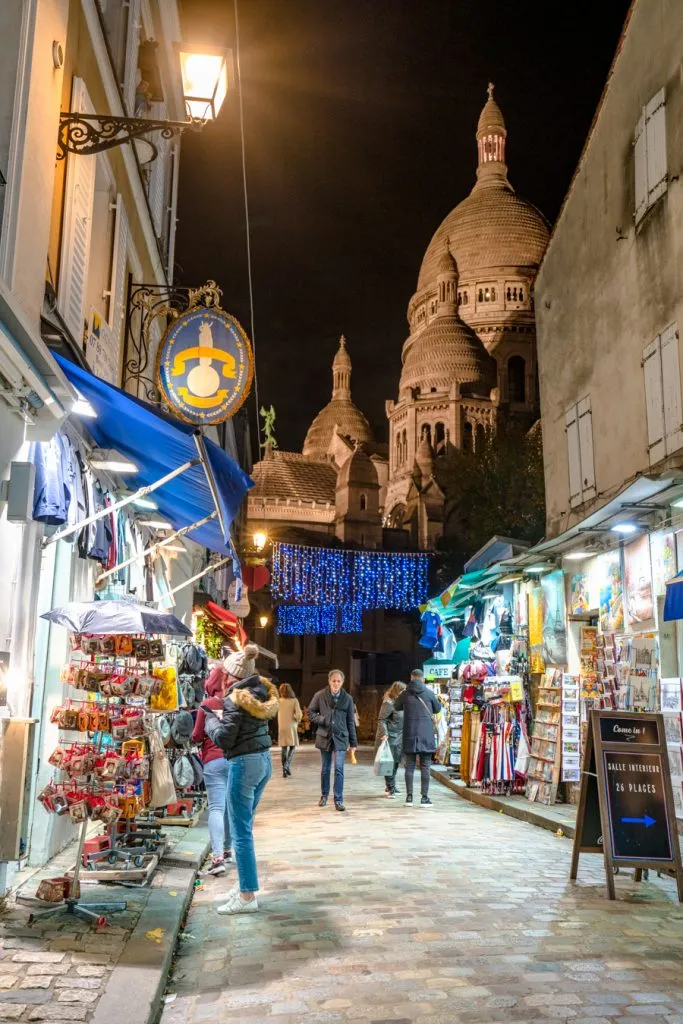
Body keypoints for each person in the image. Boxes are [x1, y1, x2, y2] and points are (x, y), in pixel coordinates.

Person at [202, 643, 279, 915]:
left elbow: (224, 738)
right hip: (262, 761)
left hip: (244, 763)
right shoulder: (259, 694)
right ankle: (245, 885)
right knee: (243, 827)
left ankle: (247, 896)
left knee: (240, 832)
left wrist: (211, 719)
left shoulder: (235, 698)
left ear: (231, 676)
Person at [192, 668, 232, 876]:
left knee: (216, 808)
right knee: (230, 808)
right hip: (234, 760)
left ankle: (217, 858)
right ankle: (228, 850)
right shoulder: (235, 703)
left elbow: (197, 735)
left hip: (213, 761)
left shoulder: (206, 705)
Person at [308, 669, 357, 812]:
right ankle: (324, 795)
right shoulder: (320, 695)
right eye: (333, 681)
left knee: (339, 769)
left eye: (339, 681)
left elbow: (350, 721)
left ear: (342, 682)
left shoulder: (347, 698)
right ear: (329, 681)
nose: (336, 683)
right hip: (325, 736)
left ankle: (338, 799)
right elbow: (310, 712)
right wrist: (322, 720)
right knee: (325, 768)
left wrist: (353, 742)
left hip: (341, 737)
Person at [393, 669, 441, 807]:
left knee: (410, 766)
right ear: (423, 679)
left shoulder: (405, 694)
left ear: (411, 678)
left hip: (410, 734)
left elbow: (396, 706)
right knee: (425, 766)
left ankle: (409, 798)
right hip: (426, 734)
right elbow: (437, 709)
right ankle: (424, 798)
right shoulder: (429, 693)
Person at [374, 681, 406, 798]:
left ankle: (390, 786)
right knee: (389, 764)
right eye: (402, 691)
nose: (404, 693)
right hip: (390, 737)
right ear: (397, 691)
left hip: (400, 737)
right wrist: (384, 733)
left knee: (396, 763)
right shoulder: (388, 703)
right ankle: (391, 787)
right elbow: (381, 719)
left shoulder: (402, 703)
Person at [277, 683, 302, 777]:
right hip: (291, 726)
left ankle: (285, 769)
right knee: (292, 747)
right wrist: (296, 718)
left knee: (283, 748)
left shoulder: (278, 701)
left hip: (281, 727)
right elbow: (299, 714)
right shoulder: (294, 701)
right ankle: (286, 766)